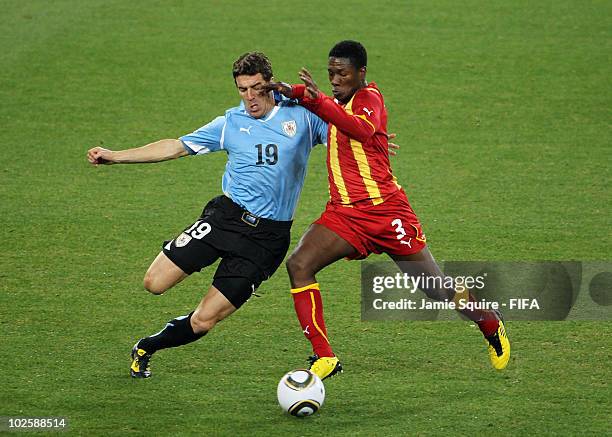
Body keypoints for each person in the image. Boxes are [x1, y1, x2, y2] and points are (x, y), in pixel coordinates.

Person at [266, 40, 510, 379]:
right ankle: (325, 356)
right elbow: (325, 107)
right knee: (299, 265)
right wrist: (291, 90)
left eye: (343, 74)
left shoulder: (369, 99)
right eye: (331, 74)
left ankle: (487, 319)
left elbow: (360, 129)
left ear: (361, 73)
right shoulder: (338, 101)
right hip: (345, 215)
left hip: (387, 213)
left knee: (437, 291)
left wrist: (316, 98)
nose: (336, 80)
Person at [86, 52, 329, 378]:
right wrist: (115, 157)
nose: (250, 98)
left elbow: (345, 138)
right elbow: (176, 146)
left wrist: (374, 139)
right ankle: (189, 246)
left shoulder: (302, 118)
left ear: (271, 84)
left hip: (266, 241)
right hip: (225, 219)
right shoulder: (230, 122)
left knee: (204, 320)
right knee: (154, 283)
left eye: (257, 88)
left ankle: (147, 346)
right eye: (243, 89)